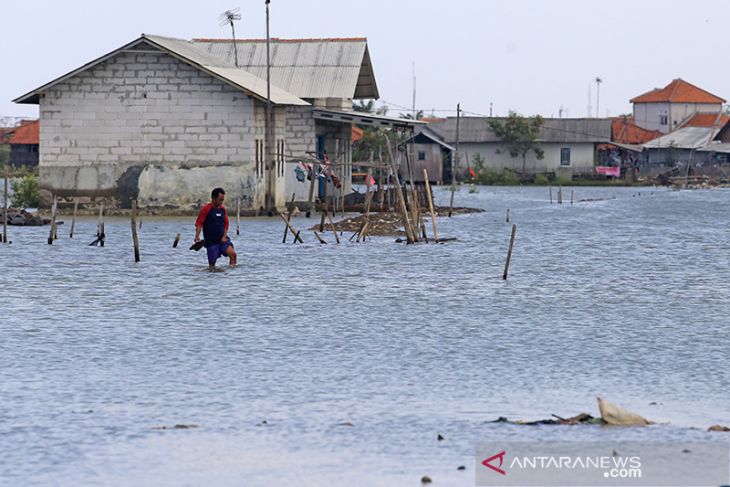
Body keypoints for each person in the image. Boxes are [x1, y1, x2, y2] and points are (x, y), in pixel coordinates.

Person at [195, 188, 237, 268]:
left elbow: (226, 224)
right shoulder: (206, 209)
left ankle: (232, 276)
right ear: (213, 198)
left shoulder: (222, 209)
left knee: (233, 255)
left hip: (223, 240)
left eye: (223, 200)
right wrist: (197, 236)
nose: (221, 202)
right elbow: (199, 223)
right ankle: (212, 278)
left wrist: (224, 236)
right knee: (212, 266)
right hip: (211, 242)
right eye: (220, 200)